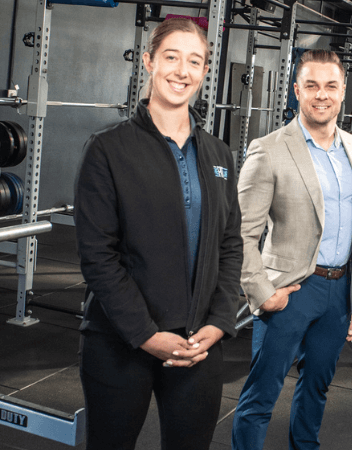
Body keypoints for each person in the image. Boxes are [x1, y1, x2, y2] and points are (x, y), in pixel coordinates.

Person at [74, 18, 242, 450]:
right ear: (149, 62)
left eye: (194, 61)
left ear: (205, 72)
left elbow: (230, 244)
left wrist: (220, 323)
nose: (181, 71)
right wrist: (147, 335)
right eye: (171, 57)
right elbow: (98, 256)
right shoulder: (108, 149)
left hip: (198, 345)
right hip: (121, 343)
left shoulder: (219, 153)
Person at [232, 50, 352, 450]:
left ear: (343, 92)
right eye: (311, 85)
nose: (321, 95)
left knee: (316, 391)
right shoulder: (269, 149)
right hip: (291, 292)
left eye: (331, 86)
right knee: (261, 397)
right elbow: (241, 234)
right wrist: (263, 294)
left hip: (339, 293)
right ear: (296, 90)